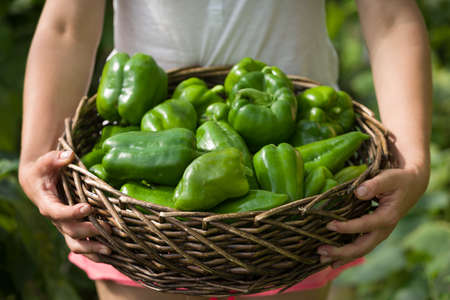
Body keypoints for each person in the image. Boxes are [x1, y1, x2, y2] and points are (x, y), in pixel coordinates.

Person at [18, 0, 431, 299]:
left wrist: (413, 161)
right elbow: (66, 27)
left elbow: (391, 16)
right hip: (134, 209)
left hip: (297, 212)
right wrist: (35, 154)